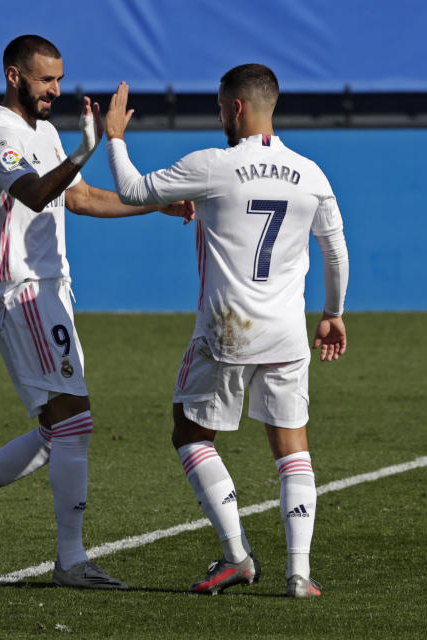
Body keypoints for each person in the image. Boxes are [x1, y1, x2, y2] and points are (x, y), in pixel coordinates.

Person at [0, 34, 192, 589]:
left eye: (59, 79)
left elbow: (79, 197)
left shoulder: (44, 132)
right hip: (24, 290)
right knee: (75, 421)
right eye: (45, 80)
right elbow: (37, 195)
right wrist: (85, 150)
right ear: (14, 76)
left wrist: (154, 204)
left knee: (56, 428)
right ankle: (71, 560)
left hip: (53, 290)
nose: (56, 90)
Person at [104, 64, 349, 598]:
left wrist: (116, 137)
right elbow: (335, 249)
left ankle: (237, 555)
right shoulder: (311, 173)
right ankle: (300, 574)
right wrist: (332, 312)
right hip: (287, 333)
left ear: (236, 107)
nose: (220, 117)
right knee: (291, 446)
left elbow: (131, 189)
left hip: (227, 330)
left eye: (220, 107)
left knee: (190, 432)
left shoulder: (214, 165)